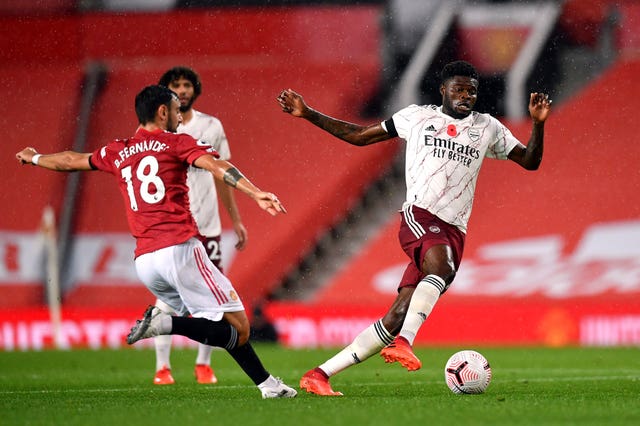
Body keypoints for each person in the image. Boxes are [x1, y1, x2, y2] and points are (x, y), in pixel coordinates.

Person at [276, 60, 551, 396]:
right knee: (441, 269)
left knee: (399, 314)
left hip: (454, 230)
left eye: (472, 91)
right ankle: (406, 342)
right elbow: (360, 136)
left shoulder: (488, 127)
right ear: (443, 90)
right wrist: (308, 113)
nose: (466, 96)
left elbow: (530, 161)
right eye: (459, 89)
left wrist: (538, 125)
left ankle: (319, 374)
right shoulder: (417, 117)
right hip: (420, 216)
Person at [16, 85, 296, 399]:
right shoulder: (176, 142)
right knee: (240, 327)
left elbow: (71, 160)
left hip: (146, 262)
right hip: (180, 250)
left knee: (221, 326)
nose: (179, 117)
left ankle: (268, 386)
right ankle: (165, 325)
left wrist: (35, 157)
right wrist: (255, 192)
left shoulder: (117, 150)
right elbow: (217, 166)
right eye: (177, 111)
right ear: (163, 112)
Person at [150, 66, 248, 386]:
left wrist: (235, 219)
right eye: (175, 85)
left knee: (216, 299)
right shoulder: (157, 131)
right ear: (164, 90)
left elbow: (223, 173)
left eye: (187, 84)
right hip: (172, 228)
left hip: (207, 226)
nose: (182, 90)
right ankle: (162, 368)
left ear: (195, 89)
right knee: (167, 296)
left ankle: (203, 364)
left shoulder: (211, 125)